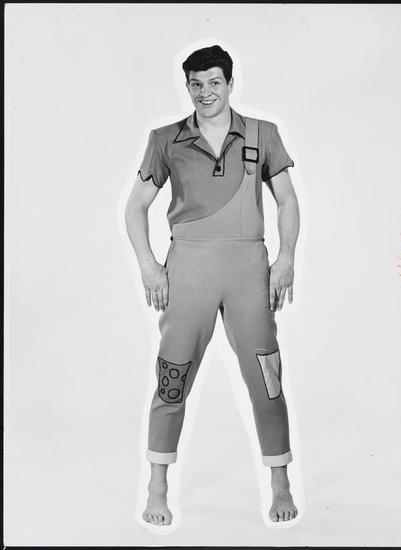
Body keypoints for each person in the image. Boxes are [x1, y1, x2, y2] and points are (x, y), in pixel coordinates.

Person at [125, 45, 300, 526]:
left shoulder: (262, 134)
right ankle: (157, 488)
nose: (206, 92)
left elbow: (287, 200)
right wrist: (148, 265)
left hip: (249, 269)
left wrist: (286, 257)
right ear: (188, 87)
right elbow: (135, 206)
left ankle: (280, 482)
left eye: (214, 83)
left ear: (230, 84)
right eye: (196, 85)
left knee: (267, 378)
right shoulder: (165, 139)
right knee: (172, 378)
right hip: (189, 269)